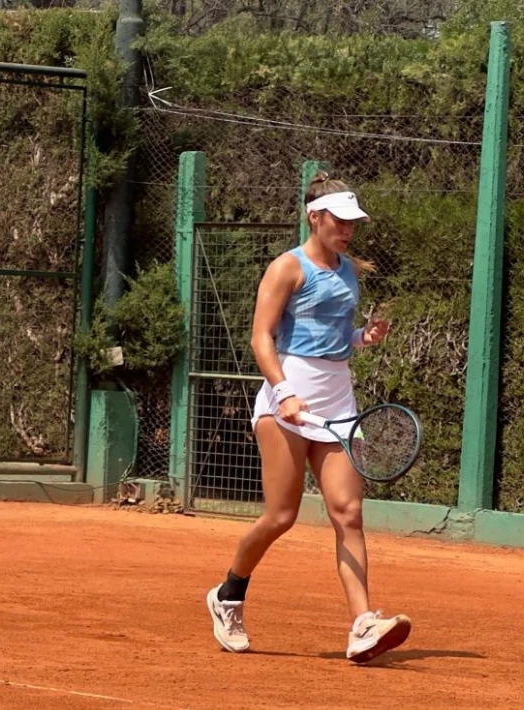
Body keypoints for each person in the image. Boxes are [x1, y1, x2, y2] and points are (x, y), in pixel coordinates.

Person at [205, 172, 412, 664]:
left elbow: (333, 336)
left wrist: (364, 337)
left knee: (349, 513)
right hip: (287, 403)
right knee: (281, 516)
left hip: (339, 403)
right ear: (314, 216)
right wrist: (284, 392)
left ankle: (362, 624)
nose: (347, 230)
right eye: (339, 221)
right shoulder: (286, 269)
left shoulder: (348, 270)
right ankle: (228, 595)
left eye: (353, 223)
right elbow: (261, 337)